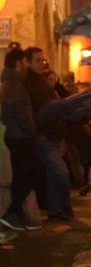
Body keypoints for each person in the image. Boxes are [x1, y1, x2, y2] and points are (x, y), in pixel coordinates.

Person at [24, 46, 73, 221]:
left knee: (54, 174)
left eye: (42, 60)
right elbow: (34, 110)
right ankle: (64, 206)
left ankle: (55, 210)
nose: (41, 63)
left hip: (52, 134)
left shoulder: (41, 81)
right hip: (43, 135)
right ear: (27, 62)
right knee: (60, 172)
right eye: (37, 60)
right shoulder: (28, 83)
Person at [0, 48, 41, 231]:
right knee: (29, 173)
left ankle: (14, 213)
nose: (27, 67)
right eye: (25, 62)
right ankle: (11, 212)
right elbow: (20, 113)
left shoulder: (13, 83)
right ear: (18, 64)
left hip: (17, 135)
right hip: (20, 136)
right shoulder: (15, 86)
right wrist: (33, 130)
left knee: (22, 175)